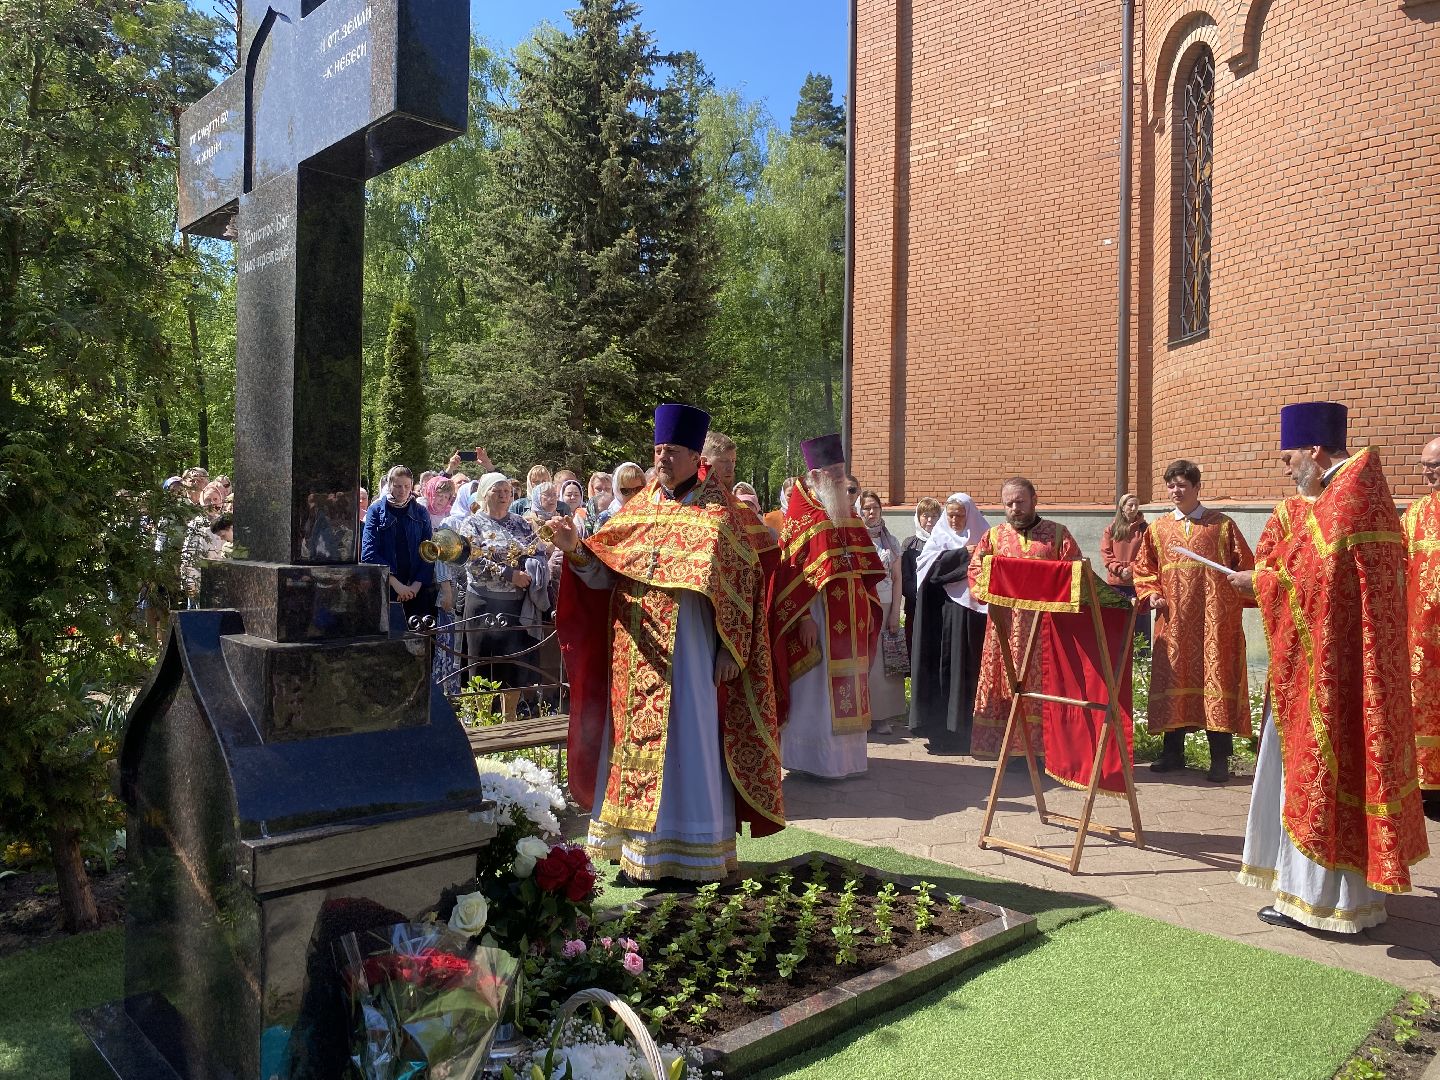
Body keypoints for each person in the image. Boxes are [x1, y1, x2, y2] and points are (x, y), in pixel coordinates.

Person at [552, 403, 784, 883]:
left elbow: (743, 589)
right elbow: (602, 577)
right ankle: (640, 850)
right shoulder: (638, 510)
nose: (662, 458)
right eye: (658, 449)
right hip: (635, 655)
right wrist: (575, 549)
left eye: (672, 450)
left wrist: (730, 650)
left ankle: (695, 849)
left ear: (694, 455)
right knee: (634, 747)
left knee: (690, 743)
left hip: (692, 654)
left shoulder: (721, 515)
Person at [1229, 401, 1427, 932]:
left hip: (1329, 676)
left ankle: (1316, 902)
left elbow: (1308, 581)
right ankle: (1352, 902)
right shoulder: (1362, 494)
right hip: (1351, 664)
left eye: (1289, 456)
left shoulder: (1343, 500)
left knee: (1320, 772)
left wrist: (1260, 583)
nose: (1287, 468)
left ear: (1315, 451)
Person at [1131, 460, 1254, 783]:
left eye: (1182, 485)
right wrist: (1151, 593)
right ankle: (1173, 753)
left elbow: (1246, 568)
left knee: (1215, 683)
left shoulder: (1221, 525)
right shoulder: (1157, 529)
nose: (1176, 491)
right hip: (1175, 622)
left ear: (1198, 487)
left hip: (1215, 623)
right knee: (1175, 681)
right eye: (1171, 485)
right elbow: (1144, 569)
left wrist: (1250, 586)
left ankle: (1219, 759)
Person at [773, 435, 886, 780]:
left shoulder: (846, 513)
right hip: (818, 618)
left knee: (849, 685)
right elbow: (790, 573)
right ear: (816, 475)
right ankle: (814, 760)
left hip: (850, 618)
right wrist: (804, 618)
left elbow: (863, 566)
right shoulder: (801, 514)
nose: (841, 479)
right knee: (817, 692)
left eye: (842, 472)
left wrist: (867, 607)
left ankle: (847, 761)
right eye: (834, 473)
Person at [967, 477, 1083, 759]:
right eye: (1009, 504)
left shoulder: (1057, 535)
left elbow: (1076, 572)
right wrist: (989, 592)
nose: (1015, 508)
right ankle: (1009, 751)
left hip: (1047, 631)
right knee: (1005, 683)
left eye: (1020, 502)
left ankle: (1046, 753)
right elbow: (975, 571)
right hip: (1004, 629)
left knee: (1046, 686)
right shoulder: (993, 537)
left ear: (1034, 499)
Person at [908, 494, 991, 755]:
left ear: (970, 514)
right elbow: (929, 570)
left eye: (960, 515)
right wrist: (960, 555)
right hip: (940, 616)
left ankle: (967, 733)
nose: (954, 520)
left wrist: (966, 555)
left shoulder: (985, 536)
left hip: (972, 615)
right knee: (941, 672)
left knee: (967, 670)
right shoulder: (939, 536)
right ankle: (939, 732)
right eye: (951, 515)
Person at [455, 472, 547, 690]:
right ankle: (482, 719)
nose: (504, 495)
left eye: (507, 491)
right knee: (482, 669)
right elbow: (472, 560)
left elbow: (537, 551)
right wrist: (510, 574)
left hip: (515, 605)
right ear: (485, 494)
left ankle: (511, 718)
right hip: (483, 604)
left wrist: (531, 570)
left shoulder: (521, 523)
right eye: (497, 491)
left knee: (513, 669)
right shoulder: (472, 524)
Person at [1402, 435, 1440, 811]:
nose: (1428, 473)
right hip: (1422, 636)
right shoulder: (1413, 515)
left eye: (1435, 466)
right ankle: (1425, 788)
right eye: (1426, 465)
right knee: (1422, 705)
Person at [361, 465, 436, 622]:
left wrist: (415, 585)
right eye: (397, 486)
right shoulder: (376, 510)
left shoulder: (420, 512)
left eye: (407, 486)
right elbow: (368, 553)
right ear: (389, 485)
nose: (402, 490)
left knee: (418, 639)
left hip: (417, 588)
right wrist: (396, 584)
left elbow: (429, 551)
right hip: (387, 586)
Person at [859, 490, 906, 734]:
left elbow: (897, 579)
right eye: (866, 508)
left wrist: (895, 612)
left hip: (886, 604)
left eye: (874, 507)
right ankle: (863, 715)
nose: (871, 512)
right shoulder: (855, 538)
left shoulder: (891, 541)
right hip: (863, 604)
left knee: (883, 664)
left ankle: (882, 717)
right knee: (865, 662)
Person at [900, 497, 943, 657]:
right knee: (917, 649)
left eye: (934, 516)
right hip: (915, 606)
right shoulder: (909, 544)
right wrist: (920, 595)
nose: (930, 520)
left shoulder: (945, 542)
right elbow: (905, 577)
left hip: (939, 607)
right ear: (918, 518)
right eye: (925, 515)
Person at [594, 461, 645, 529]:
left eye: (638, 489)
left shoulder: (653, 514)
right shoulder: (606, 518)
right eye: (626, 491)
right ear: (617, 491)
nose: (633, 494)